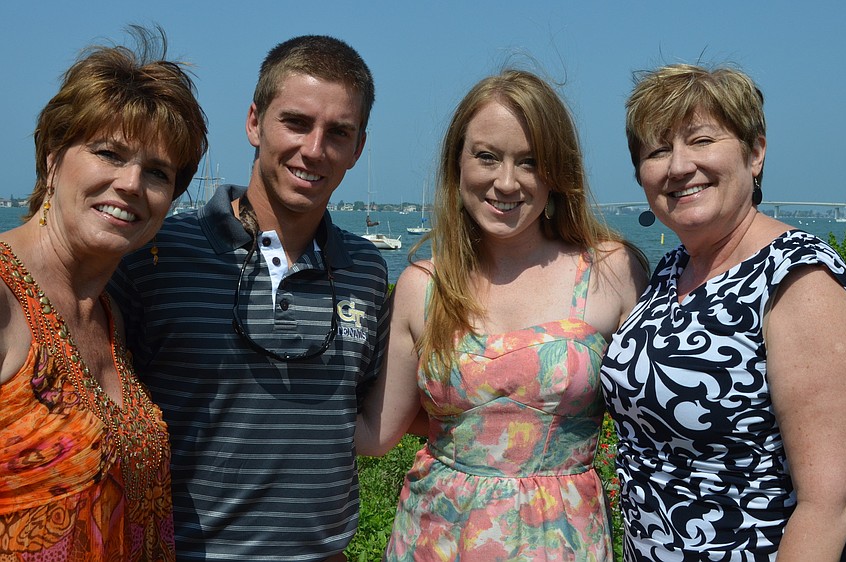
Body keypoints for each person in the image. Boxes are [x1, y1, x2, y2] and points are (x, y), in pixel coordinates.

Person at [109, 35, 388, 562]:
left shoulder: (366, 271)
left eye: (339, 133)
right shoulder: (156, 252)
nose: (314, 149)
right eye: (297, 122)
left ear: (359, 148)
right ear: (255, 121)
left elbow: (375, 409)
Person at [356, 69, 648, 561]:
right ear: (458, 164)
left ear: (556, 172)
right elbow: (377, 433)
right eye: (487, 156)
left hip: (562, 544)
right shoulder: (422, 287)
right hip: (434, 540)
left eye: (529, 162)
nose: (506, 182)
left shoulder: (612, 272)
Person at [600, 63, 846, 561]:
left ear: (755, 153)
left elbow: (831, 504)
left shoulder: (797, 279)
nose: (678, 166)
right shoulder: (670, 271)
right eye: (656, 150)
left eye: (700, 140)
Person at [0, 25, 207, 561]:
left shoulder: (111, 312)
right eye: (109, 153)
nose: (131, 183)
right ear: (53, 158)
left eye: (157, 172)